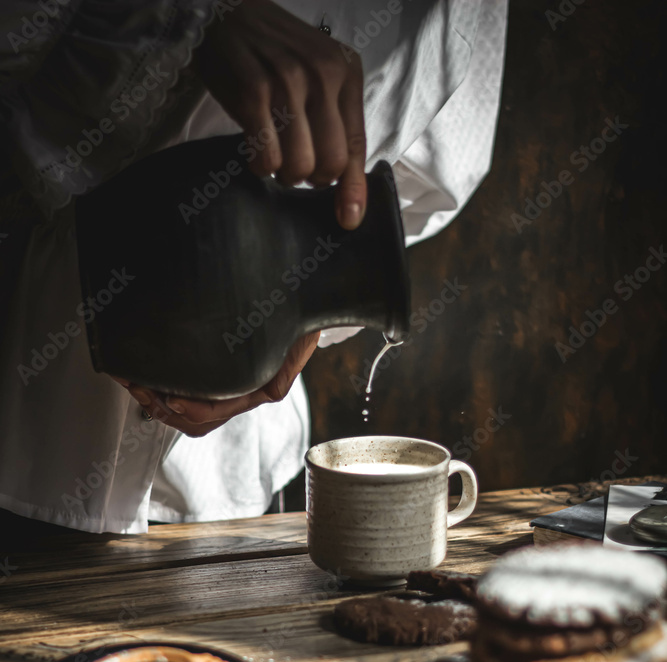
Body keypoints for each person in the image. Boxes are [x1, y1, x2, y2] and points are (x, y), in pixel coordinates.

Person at [0, 0, 508, 536]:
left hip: (232, 478)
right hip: (29, 428)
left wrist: (312, 310)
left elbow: (430, 171)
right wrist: (189, 20)